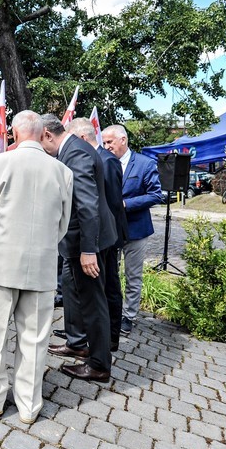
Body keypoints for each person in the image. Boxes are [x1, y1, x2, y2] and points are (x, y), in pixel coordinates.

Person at [0, 110, 73, 424]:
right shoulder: (62, 171)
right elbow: (63, 223)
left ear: (15, 134)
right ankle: (29, 403)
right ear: (40, 132)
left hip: (2, 261)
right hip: (43, 264)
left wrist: (1, 244)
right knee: (35, 337)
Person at [41, 114, 117, 383]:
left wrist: (88, 250)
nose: (42, 150)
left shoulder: (77, 154)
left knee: (94, 303)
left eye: (41, 143)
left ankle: (98, 365)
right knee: (75, 292)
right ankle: (78, 343)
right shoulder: (73, 149)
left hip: (88, 242)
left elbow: (87, 205)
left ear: (48, 135)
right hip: (75, 242)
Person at [65, 118, 129, 352]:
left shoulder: (106, 160)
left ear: (81, 139)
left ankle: (110, 337)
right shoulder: (94, 157)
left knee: (109, 286)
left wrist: (95, 241)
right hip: (98, 236)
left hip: (106, 236)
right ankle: (90, 336)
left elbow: (110, 204)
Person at [102, 124, 163, 335]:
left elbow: (156, 195)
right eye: (104, 142)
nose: (106, 146)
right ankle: (112, 312)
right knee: (110, 273)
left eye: (109, 142)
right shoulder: (103, 161)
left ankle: (129, 316)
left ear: (123, 140)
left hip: (136, 229)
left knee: (133, 275)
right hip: (111, 230)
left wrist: (126, 204)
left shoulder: (145, 164)